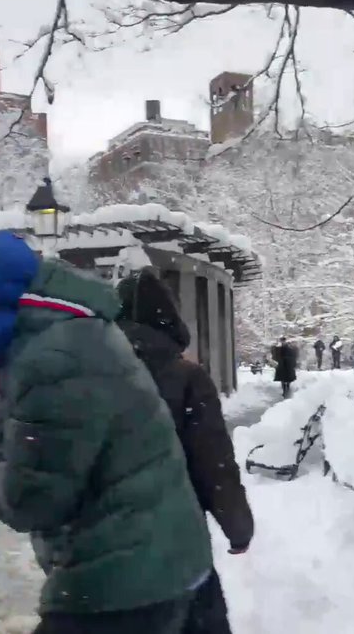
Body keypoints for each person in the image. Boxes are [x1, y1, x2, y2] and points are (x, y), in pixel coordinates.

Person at [0, 231, 212, 634]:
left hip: (120, 582)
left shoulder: (49, 362)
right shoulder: (66, 328)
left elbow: (32, 498)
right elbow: (8, 370)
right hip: (167, 557)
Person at [116, 268, 254, 634]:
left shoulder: (94, 375)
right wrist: (238, 527)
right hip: (177, 540)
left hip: (106, 548)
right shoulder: (186, 377)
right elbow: (214, 464)